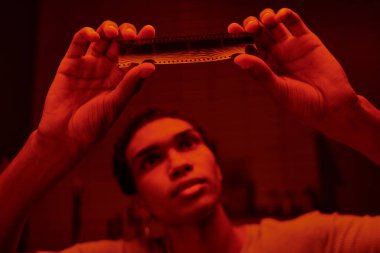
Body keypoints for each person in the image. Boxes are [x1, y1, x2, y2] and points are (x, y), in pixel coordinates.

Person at [0, 7, 379, 253]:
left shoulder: (317, 241)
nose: (178, 164)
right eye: (150, 160)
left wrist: (350, 117)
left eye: (188, 143)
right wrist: (50, 147)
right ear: (139, 204)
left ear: (217, 166)